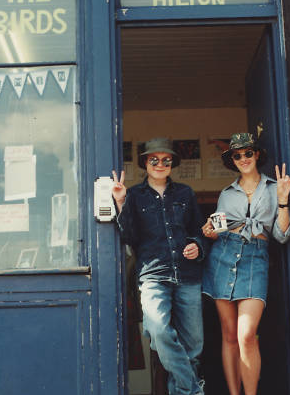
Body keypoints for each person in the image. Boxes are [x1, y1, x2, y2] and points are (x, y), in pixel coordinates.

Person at [111, 137, 207, 395]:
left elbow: (198, 231)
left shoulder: (185, 193)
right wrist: (120, 202)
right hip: (154, 274)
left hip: (188, 275)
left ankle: (185, 391)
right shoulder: (133, 195)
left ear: (172, 163)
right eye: (154, 159)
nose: (160, 164)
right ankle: (194, 391)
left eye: (166, 160)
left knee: (193, 348)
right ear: (145, 162)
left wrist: (197, 245)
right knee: (157, 330)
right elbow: (129, 236)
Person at [200, 132, 290, 395]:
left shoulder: (274, 187)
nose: (243, 158)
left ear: (257, 155)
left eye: (248, 153)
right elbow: (217, 228)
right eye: (237, 155)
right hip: (223, 257)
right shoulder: (226, 193)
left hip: (255, 258)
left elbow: (281, 235)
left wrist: (283, 199)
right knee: (229, 336)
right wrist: (209, 231)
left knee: (246, 335)